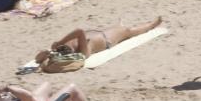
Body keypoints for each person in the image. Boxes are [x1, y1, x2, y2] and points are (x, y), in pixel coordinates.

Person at [33, 18, 162, 66]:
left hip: (99, 33)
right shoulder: (83, 53)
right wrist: (60, 41)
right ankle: (151, 25)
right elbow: (80, 31)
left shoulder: (59, 50)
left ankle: (119, 24)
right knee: (127, 31)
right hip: (107, 39)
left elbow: (37, 59)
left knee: (118, 27)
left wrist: (47, 51)